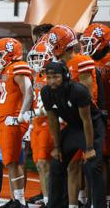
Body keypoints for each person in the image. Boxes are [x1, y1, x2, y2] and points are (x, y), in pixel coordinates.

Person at [46, 24, 99, 207]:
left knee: (93, 166)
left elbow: (88, 96)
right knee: (63, 164)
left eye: (53, 43)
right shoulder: (61, 65)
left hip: (89, 119)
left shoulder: (80, 61)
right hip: (72, 121)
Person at [41, 61, 106, 208]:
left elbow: (87, 120)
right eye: (48, 77)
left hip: (93, 126)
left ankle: (98, 205)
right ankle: (56, 205)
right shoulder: (46, 92)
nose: (51, 81)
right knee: (57, 163)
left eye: (55, 77)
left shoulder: (79, 90)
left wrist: (89, 148)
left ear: (65, 76)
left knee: (92, 165)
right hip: (73, 127)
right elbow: (52, 120)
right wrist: (57, 147)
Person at [0, 38, 33, 208]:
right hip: (4, 119)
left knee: (14, 161)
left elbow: (28, 92)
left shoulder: (19, 66)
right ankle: (16, 199)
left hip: (13, 119)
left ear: (11, 53)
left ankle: (20, 200)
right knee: (10, 161)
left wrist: (21, 116)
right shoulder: (6, 69)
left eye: (0, 54)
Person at [80, 23, 110, 205]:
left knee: (103, 158)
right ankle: (91, 198)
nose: (86, 46)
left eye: (90, 42)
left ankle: (104, 198)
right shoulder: (89, 61)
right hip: (95, 114)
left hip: (105, 114)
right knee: (94, 159)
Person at [26, 37, 54, 207]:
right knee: (39, 164)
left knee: (45, 163)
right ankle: (47, 199)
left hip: (49, 123)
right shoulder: (38, 75)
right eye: (34, 58)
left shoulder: (53, 75)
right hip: (37, 122)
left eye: (39, 57)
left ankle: (53, 200)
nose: (36, 61)